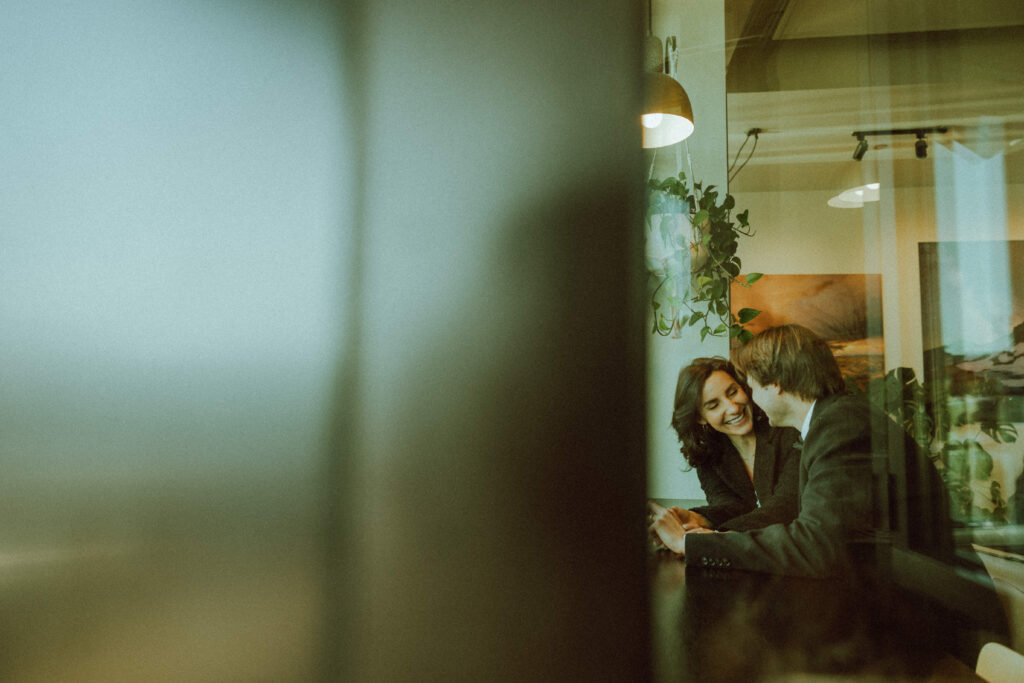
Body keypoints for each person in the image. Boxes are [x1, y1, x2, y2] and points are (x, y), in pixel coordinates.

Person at [648, 324, 877, 577]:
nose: (742, 402)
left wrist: (695, 542)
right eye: (713, 405)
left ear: (775, 385)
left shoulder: (837, 423)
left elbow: (812, 538)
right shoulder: (827, 421)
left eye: (747, 387)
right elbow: (736, 507)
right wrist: (697, 519)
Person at [648, 357, 800, 554]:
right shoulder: (708, 453)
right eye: (713, 405)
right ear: (700, 417)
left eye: (733, 392)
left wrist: (714, 538)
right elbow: (732, 506)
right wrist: (697, 518)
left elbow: (784, 508)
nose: (733, 408)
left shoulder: (786, 431)